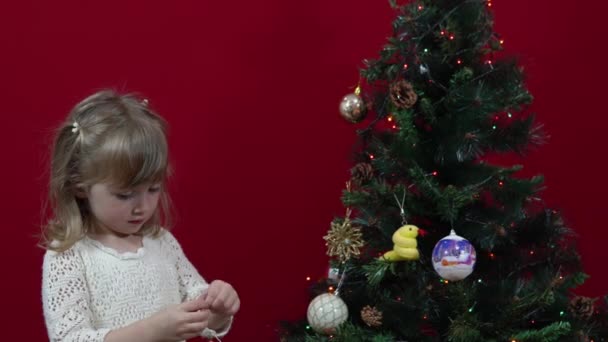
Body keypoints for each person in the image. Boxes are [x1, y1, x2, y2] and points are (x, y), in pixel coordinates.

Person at [41, 90, 240, 342]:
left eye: (153, 189)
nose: (143, 206)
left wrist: (217, 307)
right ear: (80, 185)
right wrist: (152, 331)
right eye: (125, 195)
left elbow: (196, 307)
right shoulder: (69, 254)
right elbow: (69, 338)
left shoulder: (162, 242)